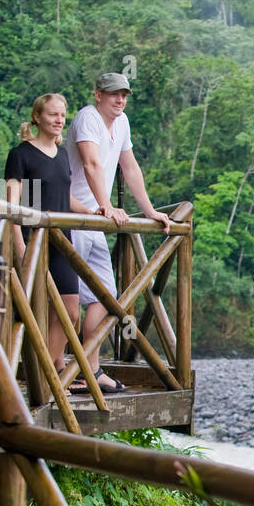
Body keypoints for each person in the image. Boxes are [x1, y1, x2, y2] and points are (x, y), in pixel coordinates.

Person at [65, 72, 170, 393]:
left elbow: (130, 167)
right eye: (113, 94)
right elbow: (91, 164)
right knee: (65, 303)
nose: (120, 100)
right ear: (97, 94)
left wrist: (150, 210)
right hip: (71, 217)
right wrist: (106, 205)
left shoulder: (122, 123)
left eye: (124, 94)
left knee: (106, 298)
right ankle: (60, 372)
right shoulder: (87, 118)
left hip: (96, 220)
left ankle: (89, 370)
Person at [4, 93, 100, 393]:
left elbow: (65, 196)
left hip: (62, 241)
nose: (59, 121)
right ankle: (47, 375)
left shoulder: (61, 155)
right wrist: (20, 246)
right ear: (37, 118)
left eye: (62, 115)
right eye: (52, 115)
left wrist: (92, 210)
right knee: (33, 311)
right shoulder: (21, 155)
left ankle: (49, 368)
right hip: (34, 241)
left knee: (70, 311)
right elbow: (11, 205)